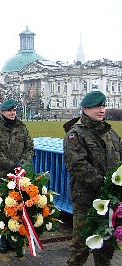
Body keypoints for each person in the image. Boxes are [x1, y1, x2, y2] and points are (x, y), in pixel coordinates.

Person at [63, 91, 122, 266]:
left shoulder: (110, 133)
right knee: (81, 244)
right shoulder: (75, 134)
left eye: (103, 106)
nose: (101, 110)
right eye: (97, 106)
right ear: (85, 109)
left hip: (109, 200)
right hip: (86, 199)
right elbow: (78, 166)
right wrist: (105, 185)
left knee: (105, 246)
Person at [0, 99, 34, 253]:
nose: (12, 113)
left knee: (17, 207)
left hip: (19, 174)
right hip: (1, 174)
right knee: (2, 207)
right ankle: (2, 237)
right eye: (9, 111)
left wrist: (22, 163)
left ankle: (13, 237)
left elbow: (29, 147)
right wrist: (10, 165)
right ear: (2, 112)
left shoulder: (21, 127)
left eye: (14, 110)